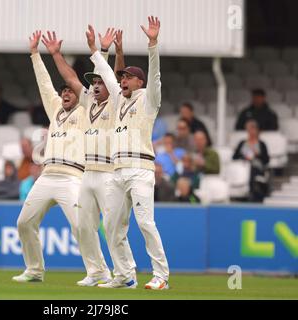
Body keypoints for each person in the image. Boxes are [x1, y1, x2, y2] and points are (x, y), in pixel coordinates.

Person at [42, 29, 136, 286]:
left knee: (114, 227)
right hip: (88, 174)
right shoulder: (88, 102)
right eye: (92, 84)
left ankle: (126, 275)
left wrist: (117, 50)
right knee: (83, 226)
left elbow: (118, 77)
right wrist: (56, 55)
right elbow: (71, 78)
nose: (94, 87)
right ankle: (96, 272)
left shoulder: (117, 103)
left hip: (108, 173)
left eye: (99, 83)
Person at [88, 17, 169, 290]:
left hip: (141, 170)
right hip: (118, 171)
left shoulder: (149, 99)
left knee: (146, 223)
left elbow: (155, 74)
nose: (121, 80)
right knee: (111, 226)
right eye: (122, 77)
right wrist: (97, 51)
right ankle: (124, 276)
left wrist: (153, 43)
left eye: (127, 77)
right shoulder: (120, 100)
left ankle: (161, 277)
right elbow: (108, 76)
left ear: (139, 81)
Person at [12, 31, 86, 283]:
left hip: (73, 177)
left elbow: (84, 86)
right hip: (47, 175)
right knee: (24, 223)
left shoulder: (88, 111)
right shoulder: (55, 109)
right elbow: (45, 83)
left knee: (80, 227)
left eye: (70, 91)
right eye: (63, 91)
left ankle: (98, 272)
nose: (65, 94)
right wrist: (34, 54)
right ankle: (34, 270)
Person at [233, 119, 270, 202]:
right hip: (242, 166)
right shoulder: (242, 143)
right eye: (249, 129)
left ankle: (253, 192)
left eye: (253, 129)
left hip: (256, 167)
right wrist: (243, 157)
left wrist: (257, 155)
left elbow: (266, 160)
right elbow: (234, 157)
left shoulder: (261, 144)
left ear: (257, 130)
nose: (251, 131)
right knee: (244, 171)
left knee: (252, 171)